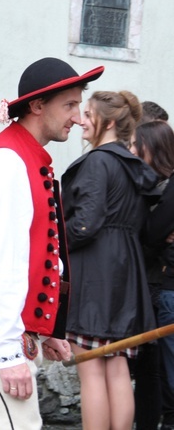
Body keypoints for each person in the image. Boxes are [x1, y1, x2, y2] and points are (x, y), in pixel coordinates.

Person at [0, 57, 102, 429]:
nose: (79, 118)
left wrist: (49, 329)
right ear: (37, 106)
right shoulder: (7, 161)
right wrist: (9, 354)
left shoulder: (24, 156)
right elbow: (1, 264)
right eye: (69, 105)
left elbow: (41, 257)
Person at [61, 90, 159, 429]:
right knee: (116, 368)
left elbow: (85, 223)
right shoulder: (132, 166)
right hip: (125, 274)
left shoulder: (99, 161)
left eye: (88, 115)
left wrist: (56, 244)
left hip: (95, 275)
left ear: (111, 122)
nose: (81, 121)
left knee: (91, 370)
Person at [137, 120, 174, 430]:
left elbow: (151, 235)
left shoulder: (166, 188)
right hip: (159, 286)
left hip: (165, 286)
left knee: (164, 375)